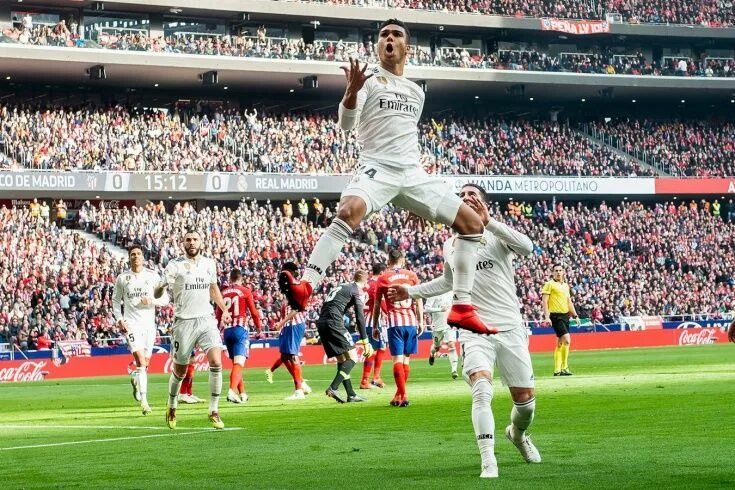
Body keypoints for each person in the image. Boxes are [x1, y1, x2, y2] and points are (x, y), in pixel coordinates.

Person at [278, 18, 493, 337]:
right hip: (376, 167)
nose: (389, 38)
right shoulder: (367, 81)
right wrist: (350, 92)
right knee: (347, 211)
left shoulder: (416, 92)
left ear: (407, 47)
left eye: (396, 34)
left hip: (412, 173)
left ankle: (462, 306)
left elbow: (405, 137)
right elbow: (346, 124)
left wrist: (415, 201)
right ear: (378, 46)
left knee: (472, 224)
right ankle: (307, 286)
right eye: (383, 35)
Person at [387, 183, 540, 479]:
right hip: (473, 329)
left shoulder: (497, 235)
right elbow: (447, 281)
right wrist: (411, 292)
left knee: (526, 405)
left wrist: (490, 222)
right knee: (481, 390)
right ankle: (488, 461)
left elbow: (528, 248)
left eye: (474, 195)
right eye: (462, 196)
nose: (467, 198)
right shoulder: (452, 244)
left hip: (509, 327)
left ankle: (518, 435)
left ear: (483, 203)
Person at [154, 229, 231, 430]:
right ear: (183, 243)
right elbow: (158, 290)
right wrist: (161, 286)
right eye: (188, 240)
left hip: (206, 319)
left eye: (195, 239)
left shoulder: (209, 264)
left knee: (216, 361)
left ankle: (213, 410)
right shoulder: (174, 265)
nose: (192, 242)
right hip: (183, 322)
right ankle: (171, 405)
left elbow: (213, 289)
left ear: (201, 243)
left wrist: (223, 309)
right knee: (180, 371)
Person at [112, 243, 169, 415]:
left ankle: (137, 381)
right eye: (133, 254)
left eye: (138, 254)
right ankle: (144, 401)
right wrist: (119, 319)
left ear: (143, 257)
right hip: (132, 325)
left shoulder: (152, 276)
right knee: (141, 362)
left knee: (145, 364)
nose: (136, 256)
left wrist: (151, 301)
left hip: (149, 325)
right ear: (129, 257)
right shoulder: (123, 278)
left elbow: (165, 299)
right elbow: (115, 301)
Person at [373, 249, 423, 407]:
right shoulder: (412, 276)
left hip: (394, 322)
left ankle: (403, 394)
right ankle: (399, 395)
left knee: (397, 360)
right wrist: (421, 321)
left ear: (388, 261)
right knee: (406, 360)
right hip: (411, 322)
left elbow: (377, 304)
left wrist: (375, 325)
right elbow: (418, 300)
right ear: (402, 260)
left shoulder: (383, 278)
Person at [317, 270, 374, 403]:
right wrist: (365, 341)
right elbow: (360, 317)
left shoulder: (342, 286)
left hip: (322, 322)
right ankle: (333, 387)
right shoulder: (357, 291)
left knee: (343, 359)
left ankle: (351, 394)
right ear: (365, 282)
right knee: (353, 357)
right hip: (334, 321)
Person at [217, 268, 263, 404]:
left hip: (227, 331)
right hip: (240, 330)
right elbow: (254, 312)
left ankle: (242, 393)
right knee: (239, 363)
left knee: (236, 363)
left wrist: (217, 330)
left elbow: (218, 315)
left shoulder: (222, 293)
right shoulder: (245, 291)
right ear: (241, 279)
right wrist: (259, 328)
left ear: (230, 279)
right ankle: (231, 391)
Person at [267, 262, 312, 400]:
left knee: (292, 355)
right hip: (289, 325)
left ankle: (298, 390)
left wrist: (281, 322)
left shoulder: (294, 286)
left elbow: (296, 308)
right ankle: (301, 383)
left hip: (294, 323)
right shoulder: (290, 286)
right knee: (285, 356)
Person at [542, 263, 578, 376]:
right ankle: (564, 367)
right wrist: (547, 317)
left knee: (560, 343)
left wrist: (575, 316)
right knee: (567, 340)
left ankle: (557, 370)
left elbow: (569, 302)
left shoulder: (566, 286)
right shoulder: (549, 284)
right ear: (552, 272)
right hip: (555, 316)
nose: (558, 272)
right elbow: (544, 301)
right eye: (556, 270)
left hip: (565, 315)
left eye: (560, 270)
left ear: (563, 272)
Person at [360, 263, 388, 389]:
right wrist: (390, 311)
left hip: (367, 319)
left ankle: (376, 378)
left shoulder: (366, 284)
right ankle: (365, 381)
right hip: (373, 320)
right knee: (373, 350)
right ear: (382, 272)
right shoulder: (377, 284)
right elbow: (380, 304)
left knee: (381, 348)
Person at [424, 291, 459, 379]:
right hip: (437, 326)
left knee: (451, 344)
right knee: (437, 347)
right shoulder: (433, 293)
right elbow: (426, 308)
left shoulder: (452, 292)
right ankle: (432, 354)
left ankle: (454, 370)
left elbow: (457, 303)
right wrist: (439, 309)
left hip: (449, 324)